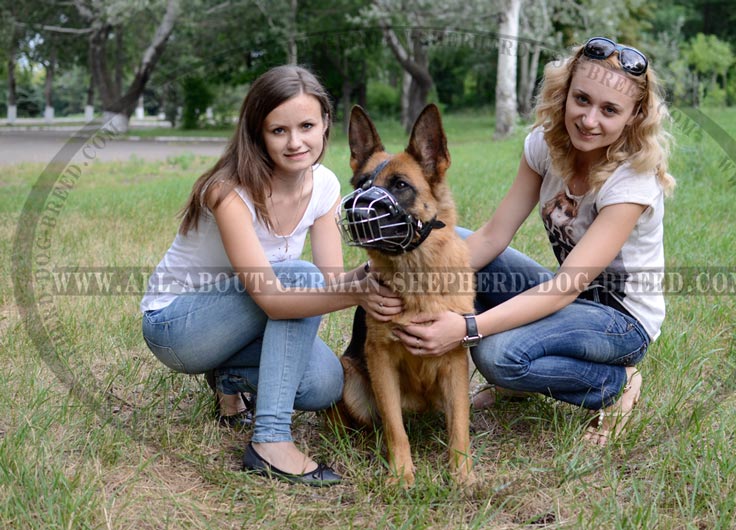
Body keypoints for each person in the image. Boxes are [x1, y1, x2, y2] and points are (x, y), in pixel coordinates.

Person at [392, 37, 674, 446]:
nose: (589, 119)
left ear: (634, 117)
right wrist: (409, 280)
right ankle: (528, 376)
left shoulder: (632, 180)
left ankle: (616, 384)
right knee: (459, 244)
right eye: (582, 99)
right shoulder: (545, 146)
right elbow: (492, 236)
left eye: (609, 110)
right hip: (572, 301)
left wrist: (465, 328)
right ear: (564, 94)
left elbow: (565, 287)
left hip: (621, 322)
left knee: (496, 356)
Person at [140, 65, 400, 486]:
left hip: (245, 322)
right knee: (298, 275)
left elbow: (332, 281)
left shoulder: (325, 186)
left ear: (325, 124)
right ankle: (271, 441)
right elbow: (277, 298)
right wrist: (359, 291)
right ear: (257, 133)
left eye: (307, 126)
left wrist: (376, 271)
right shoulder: (230, 190)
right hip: (179, 327)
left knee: (324, 384)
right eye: (278, 130)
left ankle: (226, 379)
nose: (296, 142)